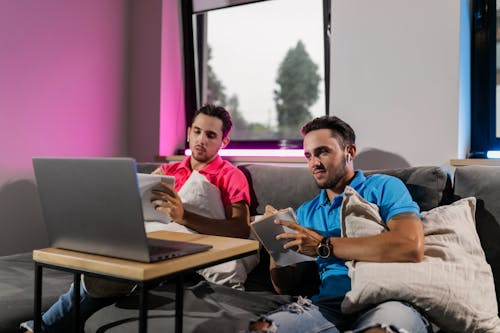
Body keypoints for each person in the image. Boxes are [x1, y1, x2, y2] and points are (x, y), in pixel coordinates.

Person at [21, 104, 256, 333]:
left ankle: (40, 326)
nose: (201, 140)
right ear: (188, 132)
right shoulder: (168, 172)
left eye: (210, 135)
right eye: (196, 131)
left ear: (223, 142)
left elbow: (240, 229)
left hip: (188, 255)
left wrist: (184, 216)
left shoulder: (231, 175)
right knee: (105, 265)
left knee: (104, 278)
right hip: (152, 243)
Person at [248, 116, 431, 333]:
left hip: (386, 300)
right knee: (261, 329)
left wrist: (323, 245)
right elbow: (287, 287)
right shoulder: (307, 211)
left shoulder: (383, 187)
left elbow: (411, 246)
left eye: (323, 152)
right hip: (329, 307)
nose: (314, 163)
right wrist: (275, 241)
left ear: (349, 152)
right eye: (308, 156)